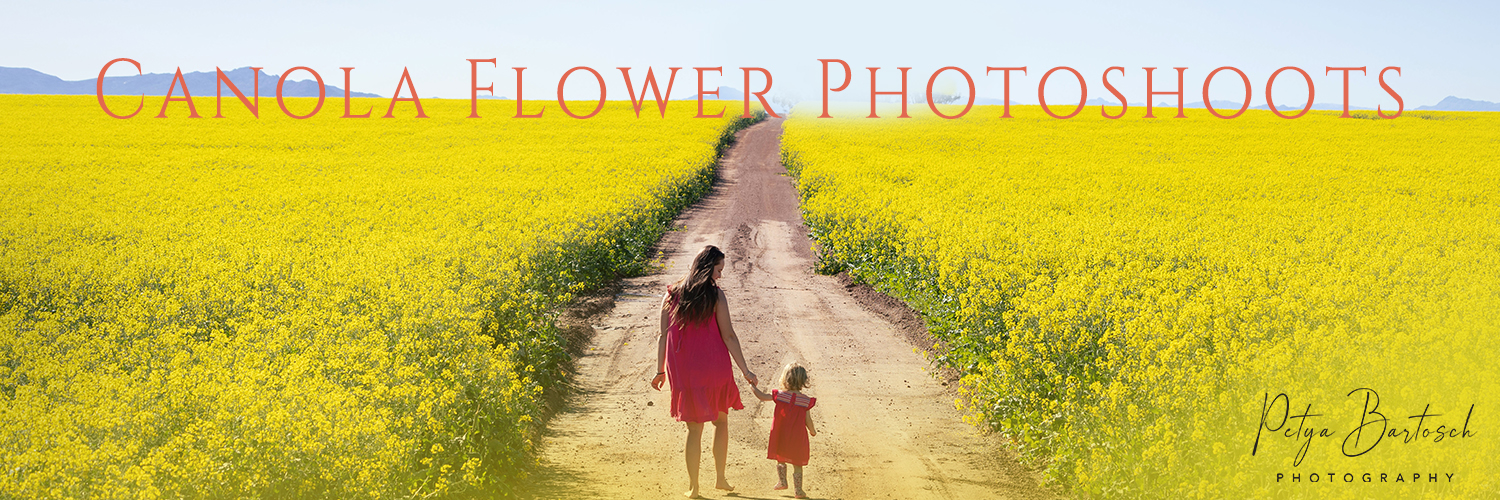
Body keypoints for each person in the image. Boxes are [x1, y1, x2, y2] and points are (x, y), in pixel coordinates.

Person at [651, 245, 758, 499]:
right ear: (708, 267)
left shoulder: (671, 295)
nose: (720, 276)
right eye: (719, 270)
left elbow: (662, 336)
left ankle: (694, 488)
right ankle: (720, 479)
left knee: (694, 429)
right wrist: (745, 370)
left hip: (684, 372)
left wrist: (659, 371)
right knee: (721, 422)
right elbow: (729, 336)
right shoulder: (716, 296)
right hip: (714, 368)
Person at [749, 363, 817, 499]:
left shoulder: (780, 396)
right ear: (803, 381)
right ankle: (798, 490)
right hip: (798, 436)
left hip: (781, 434)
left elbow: (762, 396)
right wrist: (812, 431)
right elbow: (807, 419)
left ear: (785, 379)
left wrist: (752, 387)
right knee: (798, 463)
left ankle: (782, 481)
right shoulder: (804, 400)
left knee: (780, 457)